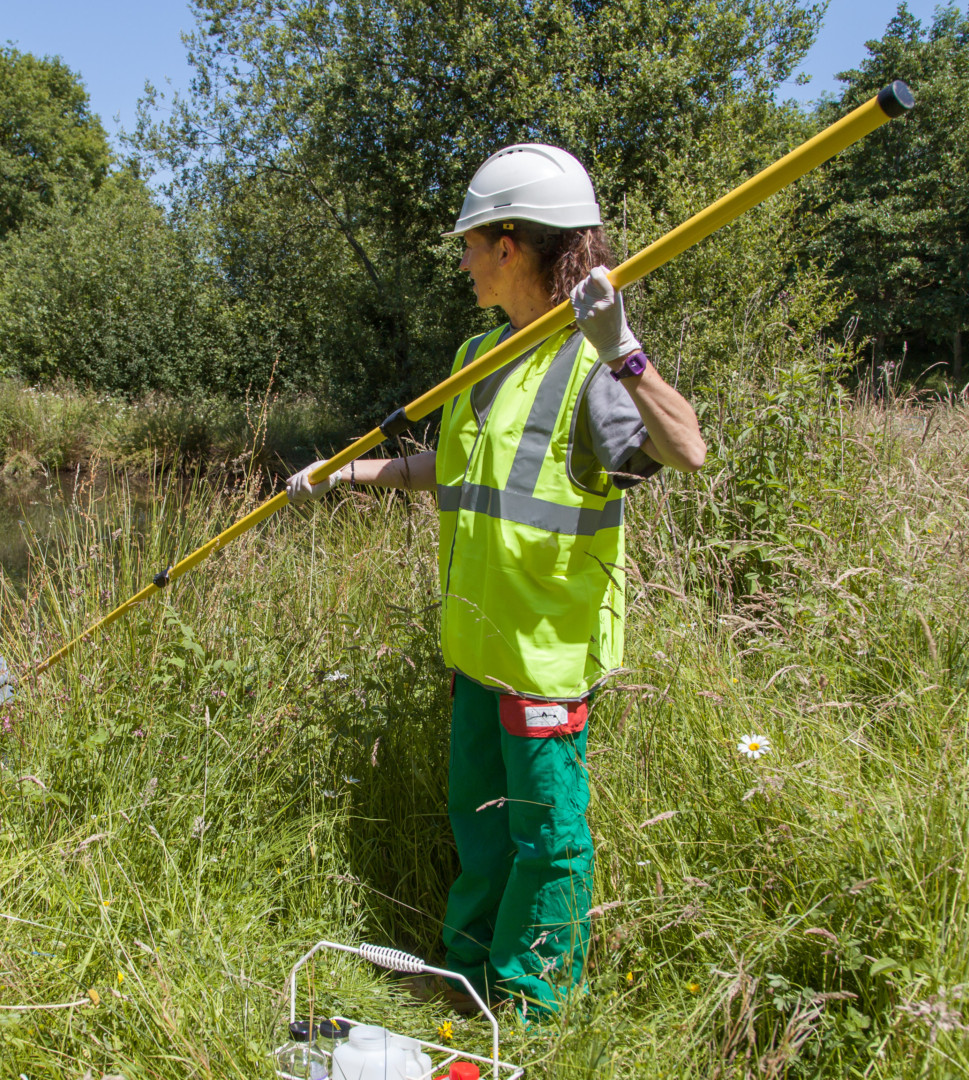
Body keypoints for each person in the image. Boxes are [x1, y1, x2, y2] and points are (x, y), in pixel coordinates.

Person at [285, 143, 705, 1018]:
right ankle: (463, 975)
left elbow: (687, 449)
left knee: (546, 840)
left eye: (471, 242)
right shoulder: (479, 351)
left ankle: (526, 1006)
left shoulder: (593, 365)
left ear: (509, 244)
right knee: (480, 827)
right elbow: (458, 467)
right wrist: (348, 474)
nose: (464, 259)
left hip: (545, 655)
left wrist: (623, 346)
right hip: (475, 641)